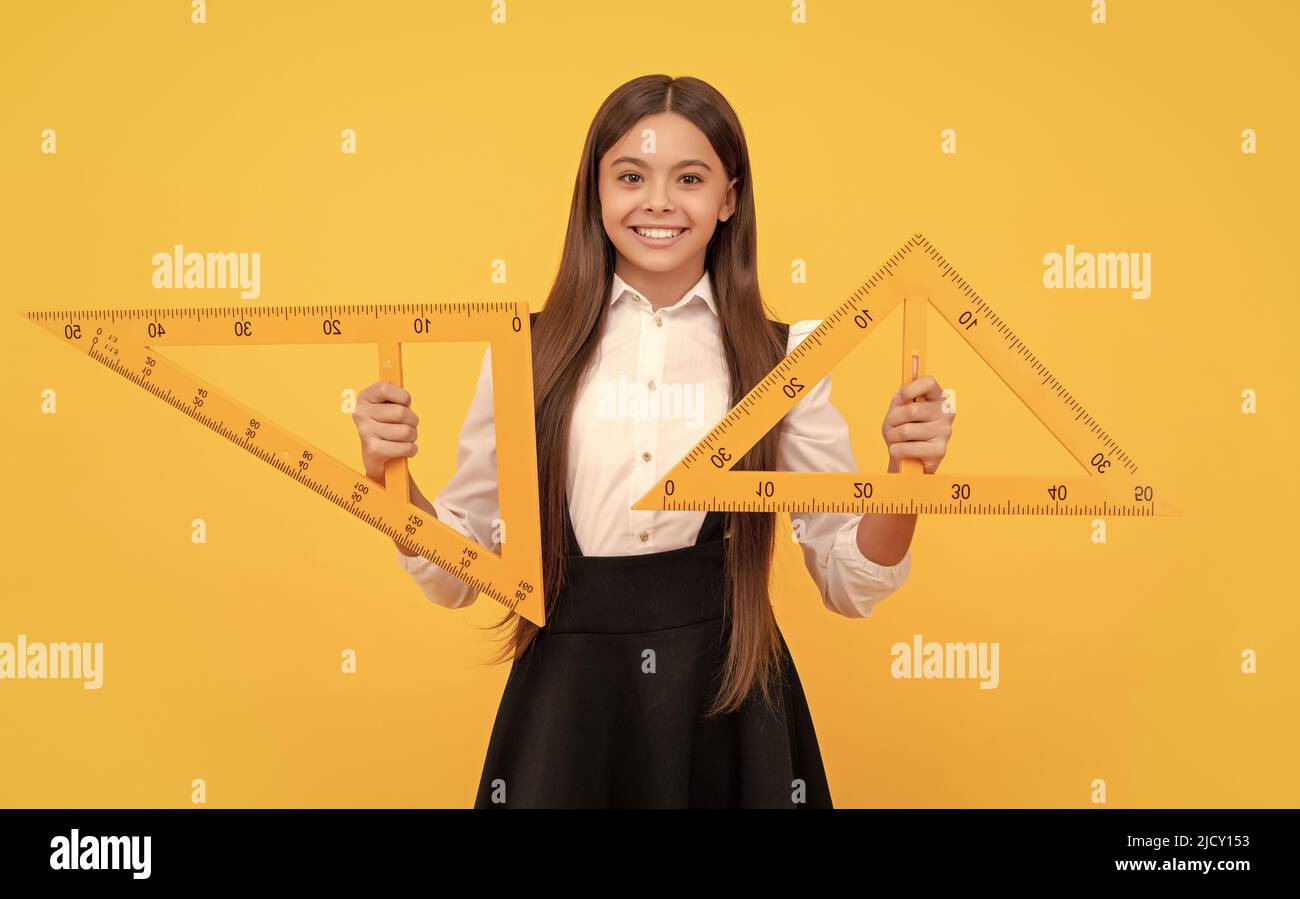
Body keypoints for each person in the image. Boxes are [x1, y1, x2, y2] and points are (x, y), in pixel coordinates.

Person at [352, 75, 955, 808]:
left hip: (727, 704)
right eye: (631, 176)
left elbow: (847, 579)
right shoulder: (524, 353)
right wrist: (390, 479)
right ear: (596, 193)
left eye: (691, 178)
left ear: (729, 197)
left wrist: (906, 478)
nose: (660, 202)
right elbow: (458, 569)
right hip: (569, 707)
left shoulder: (784, 357)